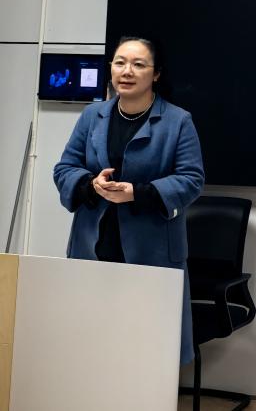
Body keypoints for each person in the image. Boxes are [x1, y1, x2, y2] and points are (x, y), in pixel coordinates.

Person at [53, 36, 204, 365]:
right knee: (90, 344)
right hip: (94, 245)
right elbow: (64, 168)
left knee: (145, 349)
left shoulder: (178, 121)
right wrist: (90, 184)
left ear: (156, 73)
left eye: (138, 64)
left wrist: (138, 193)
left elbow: (192, 179)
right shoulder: (92, 115)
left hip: (152, 250)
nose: (127, 71)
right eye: (120, 62)